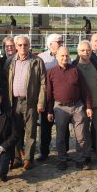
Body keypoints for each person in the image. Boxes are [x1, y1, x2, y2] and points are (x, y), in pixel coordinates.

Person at [47, 46, 93, 170]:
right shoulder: (51, 72)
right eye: (62, 55)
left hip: (77, 106)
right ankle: (62, 159)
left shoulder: (76, 70)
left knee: (81, 135)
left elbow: (85, 90)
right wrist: (50, 110)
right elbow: (49, 93)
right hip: (60, 107)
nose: (64, 58)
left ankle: (81, 159)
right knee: (61, 136)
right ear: (56, 57)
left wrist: (88, 106)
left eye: (66, 55)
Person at [6, 35, 46, 169]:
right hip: (14, 102)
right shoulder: (10, 61)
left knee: (31, 131)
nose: (23, 47)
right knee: (15, 131)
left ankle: (28, 158)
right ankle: (17, 157)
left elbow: (43, 83)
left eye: (25, 45)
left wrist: (41, 102)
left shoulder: (37, 61)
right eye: (20, 45)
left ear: (29, 46)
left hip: (31, 102)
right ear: (16, 46)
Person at [73, 40, 97, 166]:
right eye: (82, 50)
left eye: (88, 50)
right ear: (78, 52)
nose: (85, 53)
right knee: (83, 132)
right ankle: (86, 155)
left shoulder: (96, 64)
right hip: (81, 105)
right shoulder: (74, 66)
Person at [37, 33, 66, 161]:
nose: (61, 44)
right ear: (50, 44)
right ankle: (44, 152)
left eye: (62, 42)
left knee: (64, 127)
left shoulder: (66, 57)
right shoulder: (41, 58)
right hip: (47, 97)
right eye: (59, 42)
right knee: (45, 128)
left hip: (61, 97)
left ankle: (64, 152)